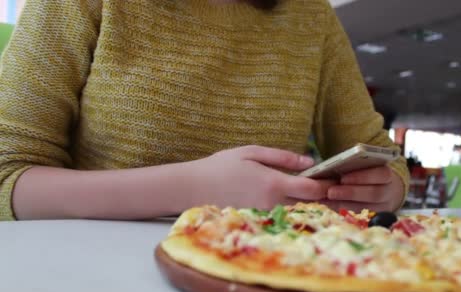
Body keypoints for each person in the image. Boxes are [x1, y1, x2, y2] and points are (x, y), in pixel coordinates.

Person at [0, 0, 409, 221]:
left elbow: (376, 152)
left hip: (260, 279)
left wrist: (385, 187)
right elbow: (8, 177)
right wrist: (191, 188)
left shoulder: (310, 15)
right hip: (89, 287)